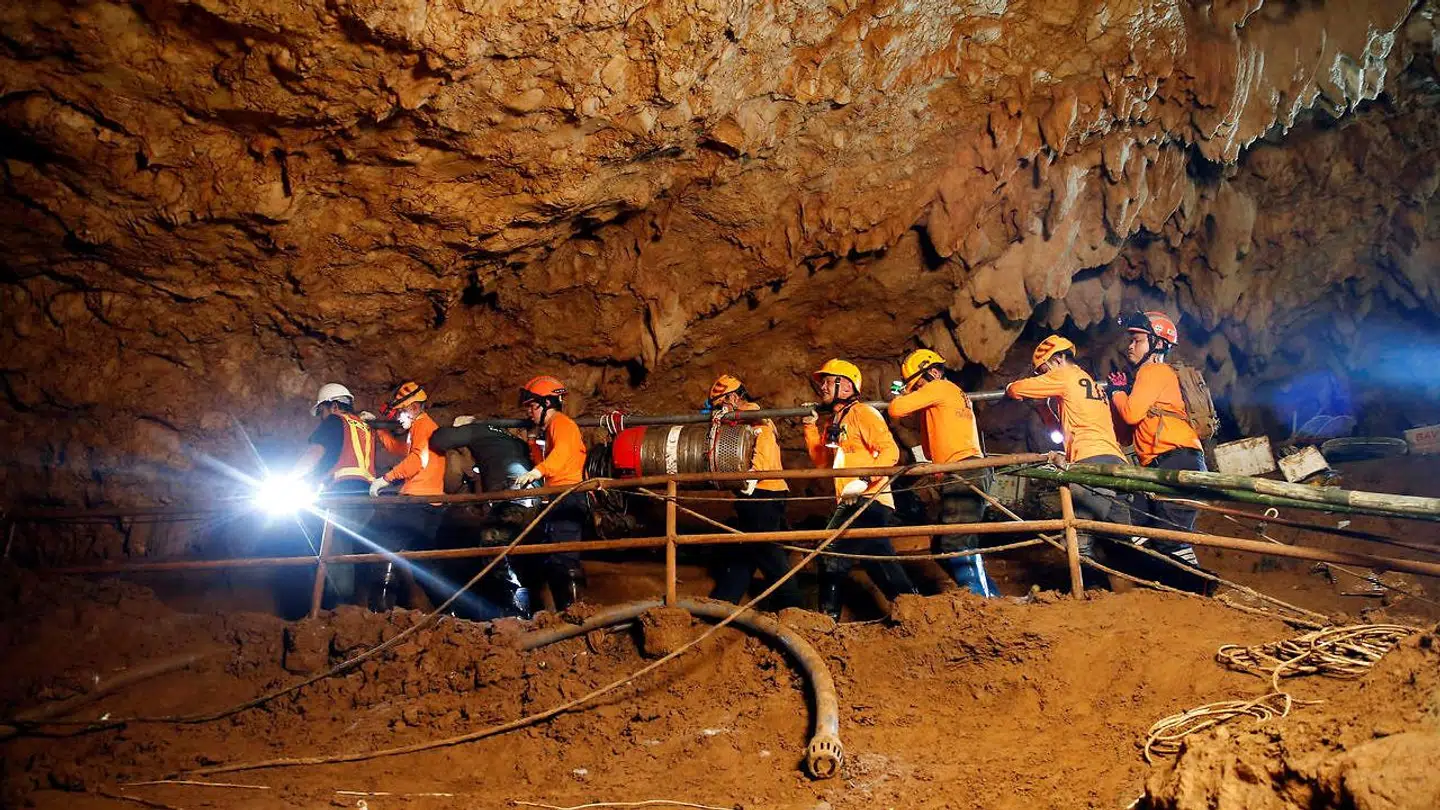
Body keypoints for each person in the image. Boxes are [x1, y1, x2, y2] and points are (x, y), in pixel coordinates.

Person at [1005, 336, 1129, 588]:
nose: (1044, 376)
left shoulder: (1064, 375)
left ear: (1058, 358)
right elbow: (1068, 426)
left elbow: (1017, 389)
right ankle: (1148, 589)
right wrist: (1045, 411)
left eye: (1043, 370)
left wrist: (1009, 388)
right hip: (1115, 458)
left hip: (1090, 459)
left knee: (1080, 536)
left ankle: (1089, 596)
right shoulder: (1090, 383)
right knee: (1122, 538)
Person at [803, 359, 920, 620]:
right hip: (853, 499)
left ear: (845, 387)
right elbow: (823, 462)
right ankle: (916, 611)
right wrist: (809, 427)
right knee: (877, 558)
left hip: (869, 498)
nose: (821, 386)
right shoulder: (835, 422)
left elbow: (890, 452)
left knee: (830, 549)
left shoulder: (863, 413)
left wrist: (865, 480)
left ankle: (826, 620)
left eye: (827, 380)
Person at [1107, 311, 1213, 593]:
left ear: (1157, 344)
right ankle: (1162, 585)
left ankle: (1199, 590)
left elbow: (1130, 414)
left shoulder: (1154, 371)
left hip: (1176, 460)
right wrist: (1118, 396)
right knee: (1136, 521)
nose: (1130, 346)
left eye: (1137, 340)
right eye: (1130, 340)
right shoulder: (1149, 379)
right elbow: (1126, 434)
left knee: (1171, 537)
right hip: (1163, 463)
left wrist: (1117, 393)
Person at [887, 349, 999, 597]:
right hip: (964, 470)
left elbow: (896, 409)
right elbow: (929, 447)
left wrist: (903, 394)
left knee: (956, 544)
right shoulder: (948, 393)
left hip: (965, 471)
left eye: (917, 384)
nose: (917, 390)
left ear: (932, 372)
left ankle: (984, 602)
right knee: (946, 544)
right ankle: (989, 597)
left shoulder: (939, 388)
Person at [705, 374, 805, 610]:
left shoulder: (753, 416)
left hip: (763, 493)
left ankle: (794, 608)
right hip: (761, 493)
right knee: (745, 551)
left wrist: (749, 478)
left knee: (767, 553)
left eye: (720, 404)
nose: (717, 411)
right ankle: (723, 602)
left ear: (732, 397)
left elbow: (763, 456)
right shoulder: (744, 419)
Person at [429, 419, 539, 619]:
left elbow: (439, 439)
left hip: (512, 495)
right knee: (521, 551)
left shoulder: (480, 430)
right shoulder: (513, 441)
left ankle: (517, 613)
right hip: (537, 497)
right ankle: (523, 608)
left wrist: (458, 428)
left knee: (494, 545)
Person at [290, 382, 376, 607]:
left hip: (341, 497)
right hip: (366, 499)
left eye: (322, 411)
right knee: (347, 550)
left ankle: (338, 608)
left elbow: (315, 453)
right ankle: (352, 605)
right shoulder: (363, 427)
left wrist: (289, 479)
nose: (321, 417)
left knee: (334, 550)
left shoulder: (334, 422)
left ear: (334, 405)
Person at [511, 375, 589, 611]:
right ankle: (565, 612)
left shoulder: (562, 423)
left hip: (569, 494)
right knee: (555, 556)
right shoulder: (553, 427)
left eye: (533, 406)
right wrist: (533, 446)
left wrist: (536, 472)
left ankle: (573, 614)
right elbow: (551, 459)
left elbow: (561, 455)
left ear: (547, 404)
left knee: (563, 559)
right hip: (560, 495)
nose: (529, 412)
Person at [368, 381, 447, 610]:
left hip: (417, 501)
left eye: (402, 411)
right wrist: (379, 429)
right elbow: (399, 449)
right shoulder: (421, 429)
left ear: (414, 408)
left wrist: (386, 479)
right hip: (431, 503)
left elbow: (416, 460)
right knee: (426, 562)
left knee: (384, 547)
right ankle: (449, 610)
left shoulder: (423, 425)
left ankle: (379, 609)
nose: (398, 417)